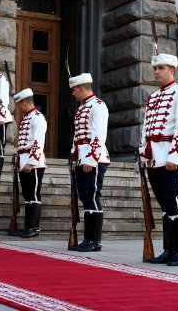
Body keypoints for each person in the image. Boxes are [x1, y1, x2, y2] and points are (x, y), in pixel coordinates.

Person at [138, 54, 178, 266]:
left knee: (173, 201)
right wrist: (144, 154)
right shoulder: (153, 97)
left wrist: (176, 155)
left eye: (161, 68)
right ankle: (169, 249)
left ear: (172, 69)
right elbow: (146, 128)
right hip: (154, 158)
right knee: (164, 204)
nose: (156, 72)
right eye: (155, 68)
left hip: (171, 157)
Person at [67, 73, 110, 252]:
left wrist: (90, 159)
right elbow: (78, 136)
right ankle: (89, 239)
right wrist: (74, 156)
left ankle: (93, 240)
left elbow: (98, 135)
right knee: (86, 197)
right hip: (81, 157)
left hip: (93, 159)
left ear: (81, 88)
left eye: (74, 90)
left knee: (92, 196)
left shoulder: (98, 106)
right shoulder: (82, 108)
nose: (72, 94)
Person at [12, 88, 47, 238]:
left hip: (34, 163)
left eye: (20, 104)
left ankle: (33, 228)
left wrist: (31, 162)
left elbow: (38, 142)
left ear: (24, 103)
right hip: (24, 160)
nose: (19, 108)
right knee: (27, 195)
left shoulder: (37, 118)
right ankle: (28, 227)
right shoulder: (27, 117)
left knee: (33, 194)